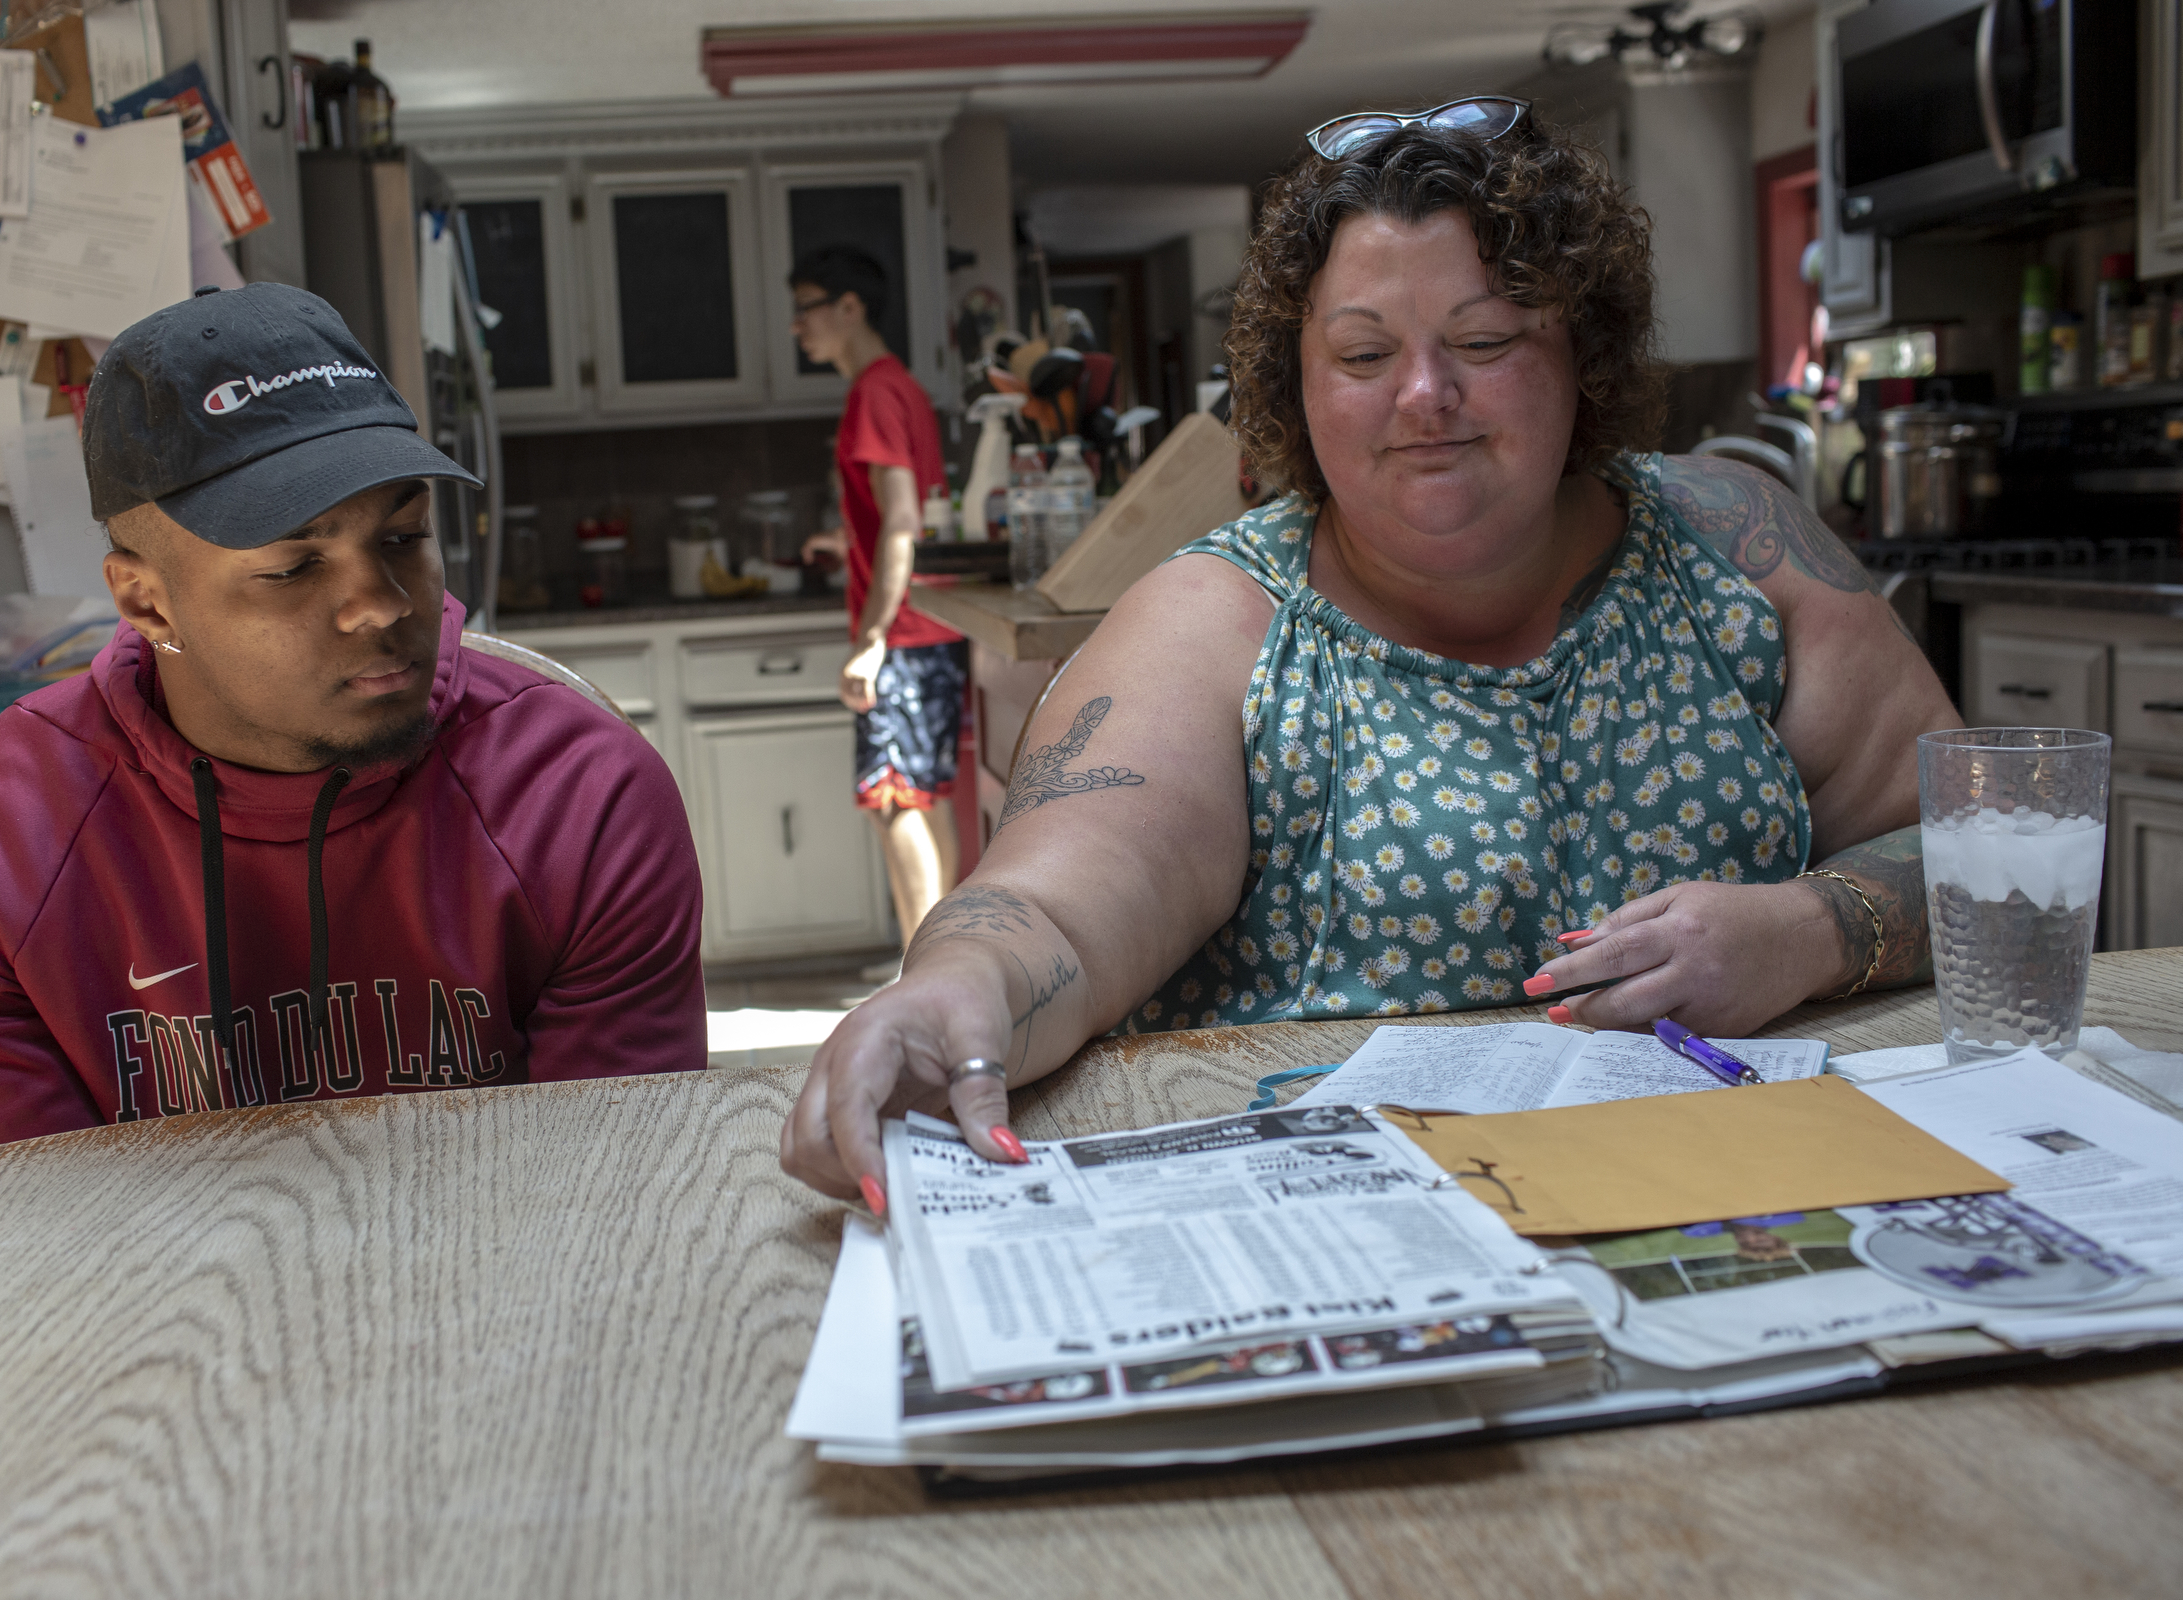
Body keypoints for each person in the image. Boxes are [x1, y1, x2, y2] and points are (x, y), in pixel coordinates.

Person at [782, 99, 1956, 1209]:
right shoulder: (1213, 623)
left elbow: (1984, 847)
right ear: (1294, 386)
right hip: (1352, 1235)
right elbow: (1057, 907)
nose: (1425, 395)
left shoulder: (1736, 551)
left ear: (1582, 351)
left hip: (1748, 1191)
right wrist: (953, 993)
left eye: (1484, 339)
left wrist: (1812, 928)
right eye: (1360, 355)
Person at [0, 283, 706, 1158]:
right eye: (294, 567)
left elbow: (615, 1189)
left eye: (402, 537)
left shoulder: (577, 796)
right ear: (148, 603)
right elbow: (31, 1242)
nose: (379, 608)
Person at [788, 245, 966, 959]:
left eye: (806, 308)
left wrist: (871, 639)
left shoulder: (872, 393)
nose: (797, 327)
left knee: (895, 802)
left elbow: (902, 520)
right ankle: (947, 967)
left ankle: (926, 977)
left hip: (904, 633)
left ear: (850, 308)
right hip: (930, 625)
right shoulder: (901, 388)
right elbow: (898, 517)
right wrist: (848, 542)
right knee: (923, 797)